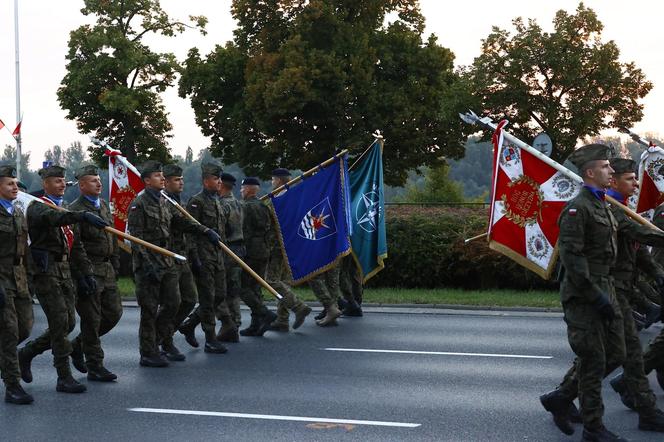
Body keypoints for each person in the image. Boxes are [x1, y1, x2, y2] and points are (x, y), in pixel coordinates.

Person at [540, 147, 664, 440]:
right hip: (586, 295)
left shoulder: (605, 208)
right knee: (595, 357)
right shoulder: (577, 209)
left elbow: (637, 234)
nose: (611, 172)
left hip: (607, 289)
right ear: (591, 173)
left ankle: (562, 398)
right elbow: (573, 259)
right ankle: (593, 427)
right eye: (607, 167)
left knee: (616, 353)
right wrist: (596, 296)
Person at [18, 164, 109, 393]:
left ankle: (28, 352)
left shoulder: (66, 209)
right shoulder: (38, 207)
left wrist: (86, 273)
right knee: (59, 324)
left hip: (66, 272)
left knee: (68, 323)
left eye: (62, 181)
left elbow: (76, 247)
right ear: (45, 184)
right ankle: (63, 375)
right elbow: (53, 218)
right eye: (56, 181)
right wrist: (82, 216)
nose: (61, 185)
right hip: (46, 273)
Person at [126, 161, 222, 367]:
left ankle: (161, 339)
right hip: (148, 263)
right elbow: (135, 239)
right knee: (150, 309)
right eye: (157, 176)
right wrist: (147, 264)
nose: (162, 178)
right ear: (147, 181)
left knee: (175, 303)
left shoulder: (164, 201)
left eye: (162, 175)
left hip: (167, 259)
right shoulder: (139, 204)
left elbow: (182, 222)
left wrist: (205, 231)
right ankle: (148, 352)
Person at [68, 165, 123, 382]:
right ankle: (95, 365)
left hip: (107, 269)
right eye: (93, 181)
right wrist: (83, 275)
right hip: (89, 270)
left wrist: (116, 263)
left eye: (99, 179)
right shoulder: (75, 211)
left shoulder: (103, 207)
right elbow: (75, 245)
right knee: (91, 320)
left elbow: (113, 237)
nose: (99, 183)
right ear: (82, 185)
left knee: (114, 313)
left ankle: (77, 345)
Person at [184, 162, 234, 354]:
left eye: (220, 179)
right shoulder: (196, 202)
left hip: (217, 256)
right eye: (216, 179)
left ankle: (190, 324)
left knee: (220, 295)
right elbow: (190, 232)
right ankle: (210, 338)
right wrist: (193, 257)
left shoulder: (216, 201)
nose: (219, 182)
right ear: (206, 181)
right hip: (203, 257)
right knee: (207, 297)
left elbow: (221, 232)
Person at [0, 165, 34, 404]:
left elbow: (24, 247)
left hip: (19, 277)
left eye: (16, 183)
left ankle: (6, 357)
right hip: (1, 277)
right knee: (9, 332)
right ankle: (12, 386)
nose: (15, 187)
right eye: (10, 184)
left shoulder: (17, 212)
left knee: (26, 327)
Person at [159, 164, 198, 359]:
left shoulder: (177, 200)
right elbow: (180, 223)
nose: (181, 182)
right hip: (169, 257)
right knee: (171, 303)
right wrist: (203, 230)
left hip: (183, 257)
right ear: (165, 182)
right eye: (176, 179)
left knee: (190, 299)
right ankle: (163, 340)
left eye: (181, 179)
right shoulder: (164, 201)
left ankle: (164, 334)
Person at [266, 168, 311, 332]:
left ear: (278, 180)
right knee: (283, 282)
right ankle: (282, 319)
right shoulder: (294, 197)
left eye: (272, 180)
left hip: (278, 246)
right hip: (290, 245)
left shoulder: (279, 199)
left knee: (271, 281)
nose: (272, 183)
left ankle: (299, 306)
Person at [238, 177, 277, 336]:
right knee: (256, 287)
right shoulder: (263, 206)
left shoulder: (245, 207)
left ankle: (264, 313)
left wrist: (241, 250)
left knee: (243, 287)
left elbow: (244, 231)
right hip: (264, 249)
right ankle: (256, 324)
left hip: (251, 251)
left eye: (242, 189)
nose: (241, 192)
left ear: (247, 189)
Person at [217, 172, 244, 340]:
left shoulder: (222, 205)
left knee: (221, 289)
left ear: (221, 185)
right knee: (234, 290)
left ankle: (228, 325)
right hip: (239, 248)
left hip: (227, 249)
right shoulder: (238, 204)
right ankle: (236, 323)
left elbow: (221, 230)